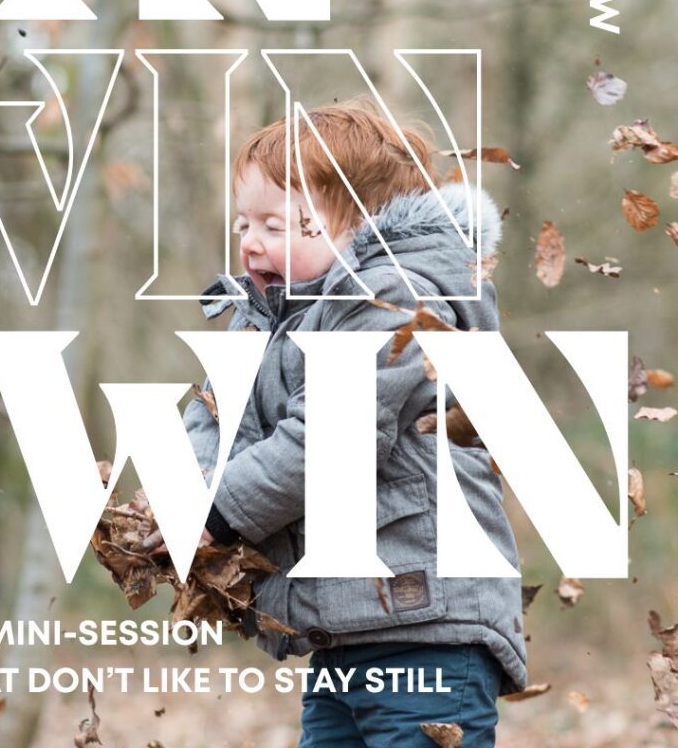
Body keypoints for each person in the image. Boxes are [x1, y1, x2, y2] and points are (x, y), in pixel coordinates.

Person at [182, 101, 526, 748]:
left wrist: (216, 514)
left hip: (428, 631)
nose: (251, 241)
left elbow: (330, 439)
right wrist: (183, 497)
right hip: (343, 636)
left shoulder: (398, 299)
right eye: (243, 222)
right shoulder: (265, 319)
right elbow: (212, 415)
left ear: (356, 226)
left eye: (276, 224)